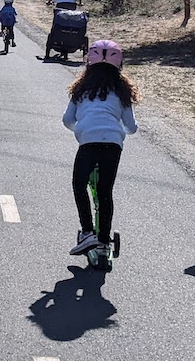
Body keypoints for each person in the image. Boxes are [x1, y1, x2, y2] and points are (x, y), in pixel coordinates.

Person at [62, 40, 139, 255]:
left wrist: (82, 129)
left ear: (89, 63)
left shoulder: (81, 90)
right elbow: (131, 127)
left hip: (88, 142)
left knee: (79, 185)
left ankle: (87, 232)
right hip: (113, 144)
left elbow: (67, 120)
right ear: (119, 65)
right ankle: (104, 241)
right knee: (105, 192)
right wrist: (118, 128)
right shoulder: (121, 92)